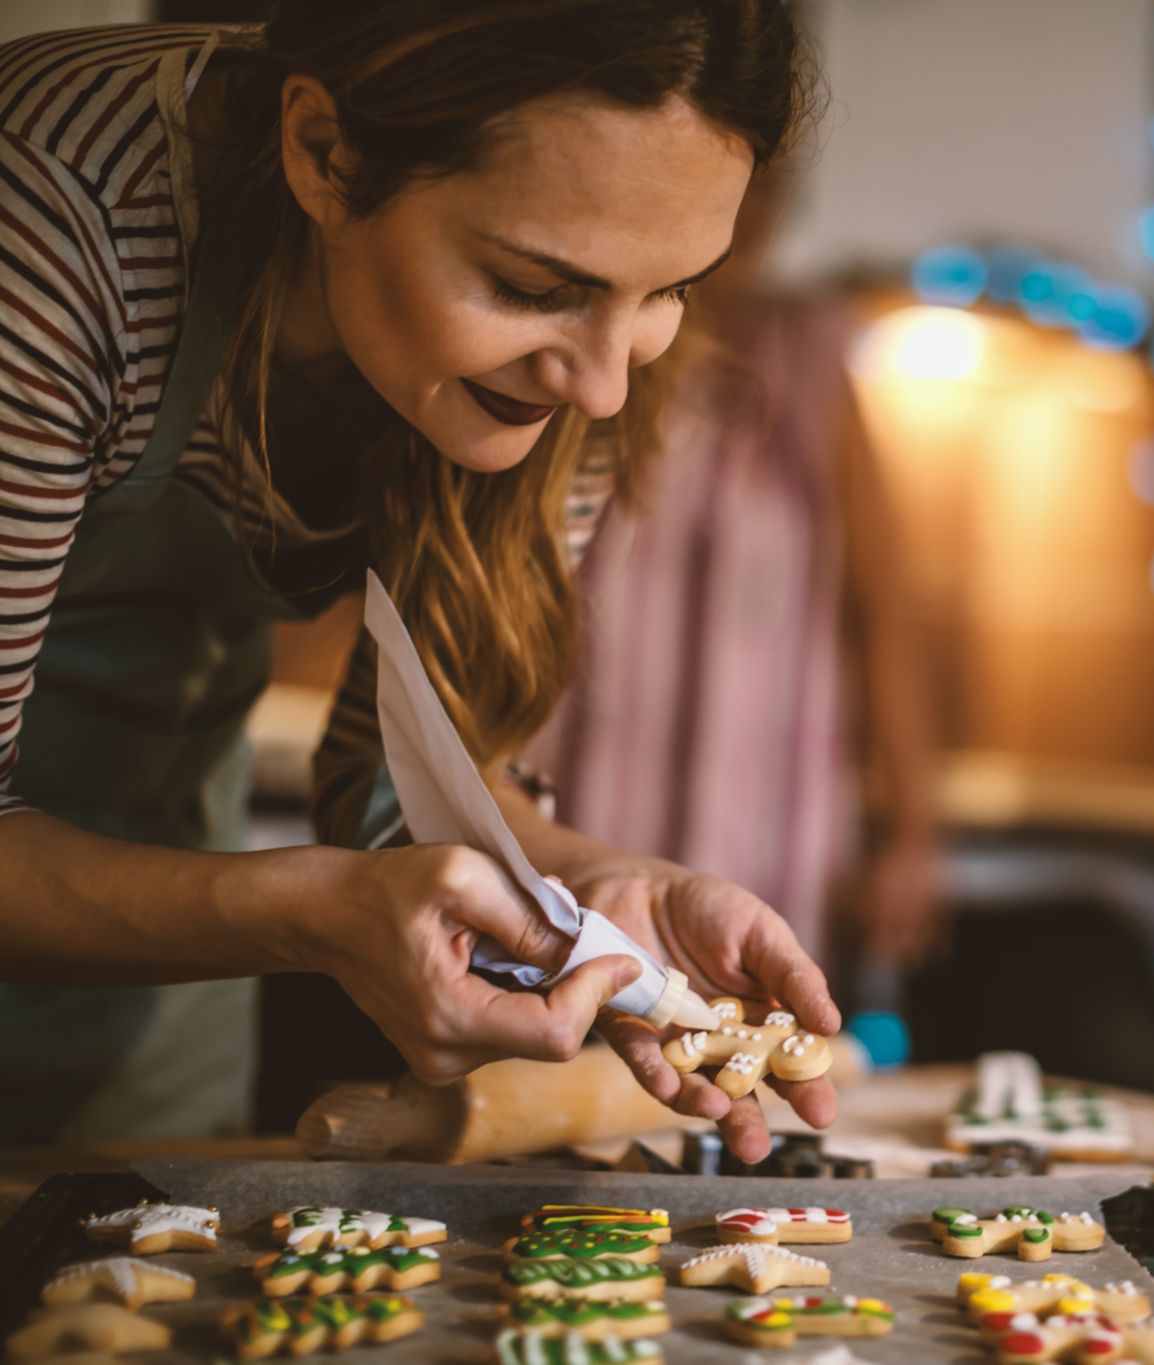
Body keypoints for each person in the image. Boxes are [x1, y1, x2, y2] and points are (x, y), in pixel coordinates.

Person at [0, 2, 835, 1159]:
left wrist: (600, 896)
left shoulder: (582, 350)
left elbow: (408, 792)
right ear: (324, 155)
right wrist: (313, 912)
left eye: (670, 290)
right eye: (534, 285)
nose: (600, 389)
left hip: (149, 968)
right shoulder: (55, 217)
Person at [526, 168, 946, 973]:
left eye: (766, 185)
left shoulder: (814, 360)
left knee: (739, 1061)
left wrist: (913, 829)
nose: (743, 214)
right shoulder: (584, 347)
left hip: (762, 829)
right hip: (574, 812)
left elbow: (886, 612)